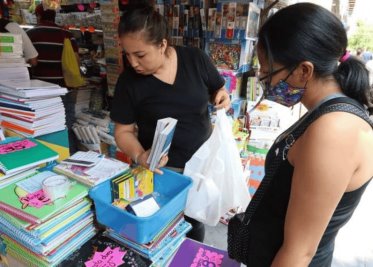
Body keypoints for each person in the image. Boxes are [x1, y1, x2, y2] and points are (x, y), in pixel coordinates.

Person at [229, 3, 373, 266]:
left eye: (267, 69)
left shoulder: (335, 130)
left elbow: (299, 252)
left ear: (303, 70)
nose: (263, 78)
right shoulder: (325, 112)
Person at [110, 5, 230, 243]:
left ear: (162, 45)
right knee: (161, 231)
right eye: (127, 54)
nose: (133, 62)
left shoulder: (195, 59)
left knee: (193, 225)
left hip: (201, 165)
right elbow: (122, 132)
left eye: (140, 55)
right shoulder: (129, 82)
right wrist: (139, 155)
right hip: (162, 172)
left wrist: (222, 96)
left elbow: (218, 88)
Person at [27, 4, 79, 87]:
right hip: (64, 84)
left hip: (39, 84)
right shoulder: (67, 34)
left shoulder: (30, 34)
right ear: (54, 16)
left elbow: (31, 61)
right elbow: (76, 59)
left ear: (39, 16)